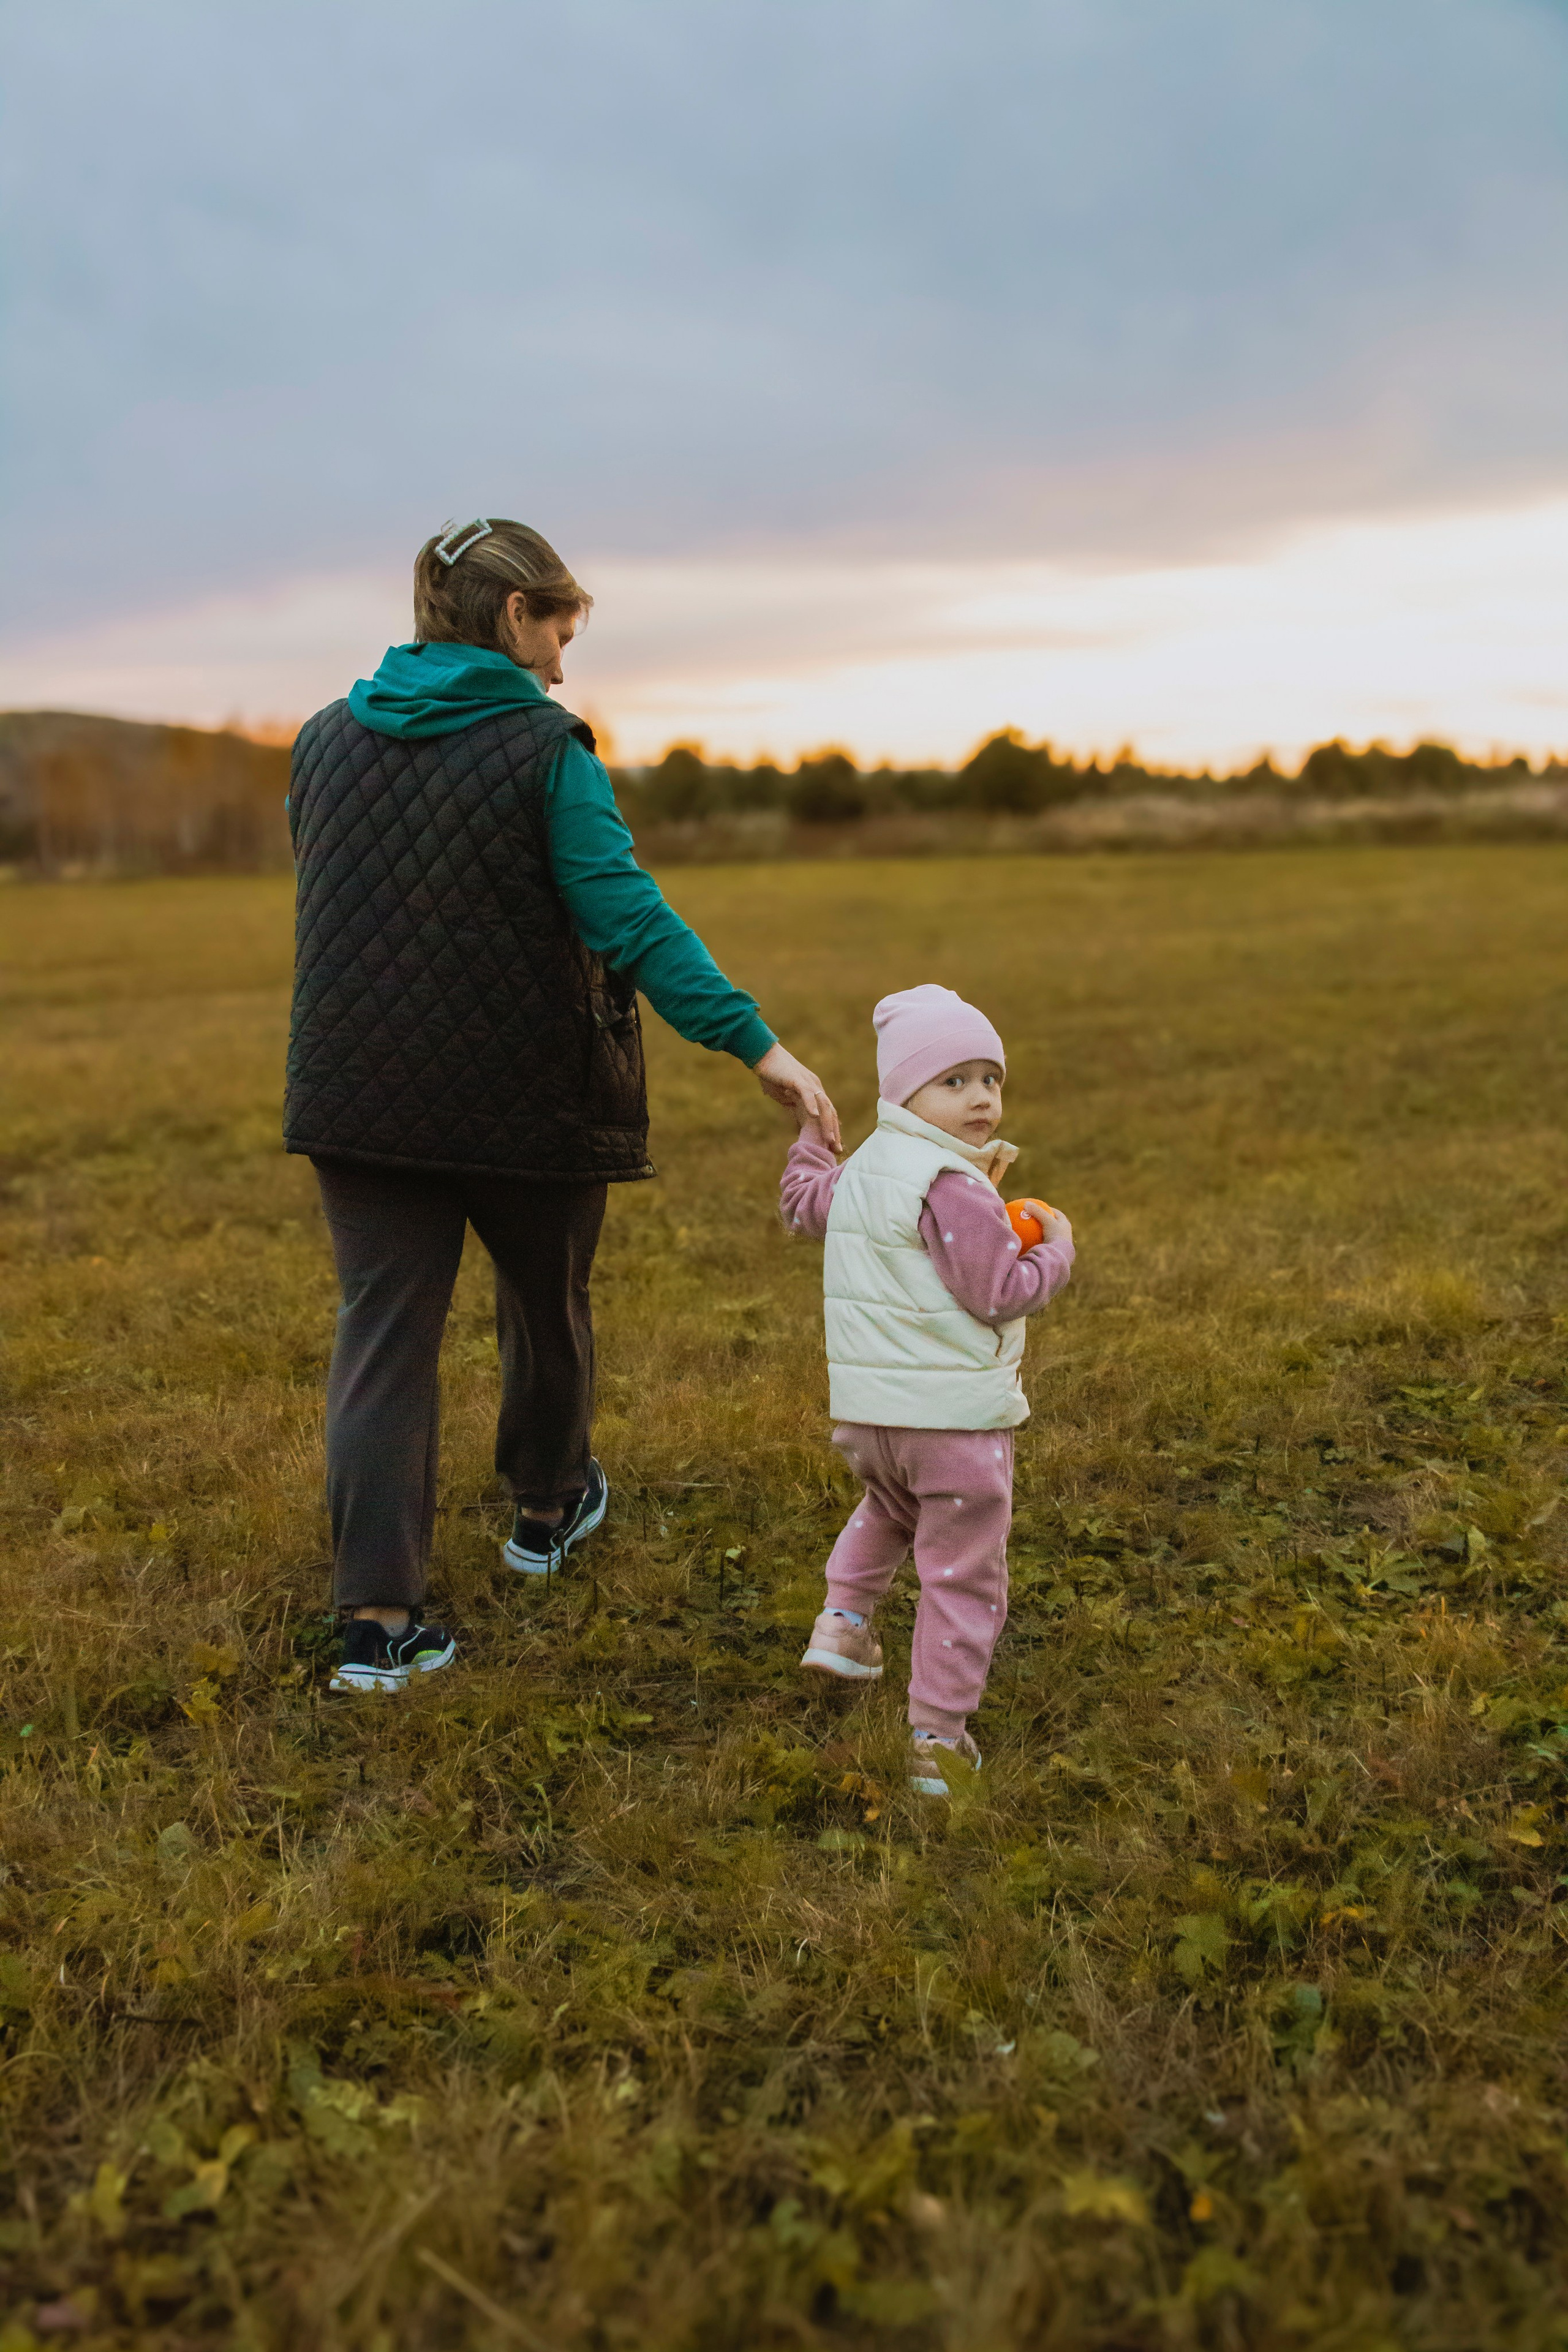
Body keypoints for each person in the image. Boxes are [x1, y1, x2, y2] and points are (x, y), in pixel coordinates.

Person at [284, 517, 839, 1694]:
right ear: (508, 618)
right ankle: (544, 1510)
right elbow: (626, 916)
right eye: (556, 631)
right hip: (524, 1095)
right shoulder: (546, 748)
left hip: (355, 1099)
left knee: (381, 1344)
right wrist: (759, 1047)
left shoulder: (322, 741)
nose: (562, 664)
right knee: (547, 1302)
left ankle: (379, 1627)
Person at [777, 983, 1073, 1795]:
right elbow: (1000, 1292)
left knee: (890, 1508)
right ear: (903, 1092)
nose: (981, 1097)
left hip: (871, 1420)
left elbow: (804, 1206)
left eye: (990, 1078)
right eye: (955, 1080)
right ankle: (937, 1740)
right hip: (953, 1425)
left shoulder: (867, 1168)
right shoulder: (953, 1184)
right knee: (963, 1572)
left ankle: (843, 1624)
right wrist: (1055, 1250)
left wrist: (813, 1137)